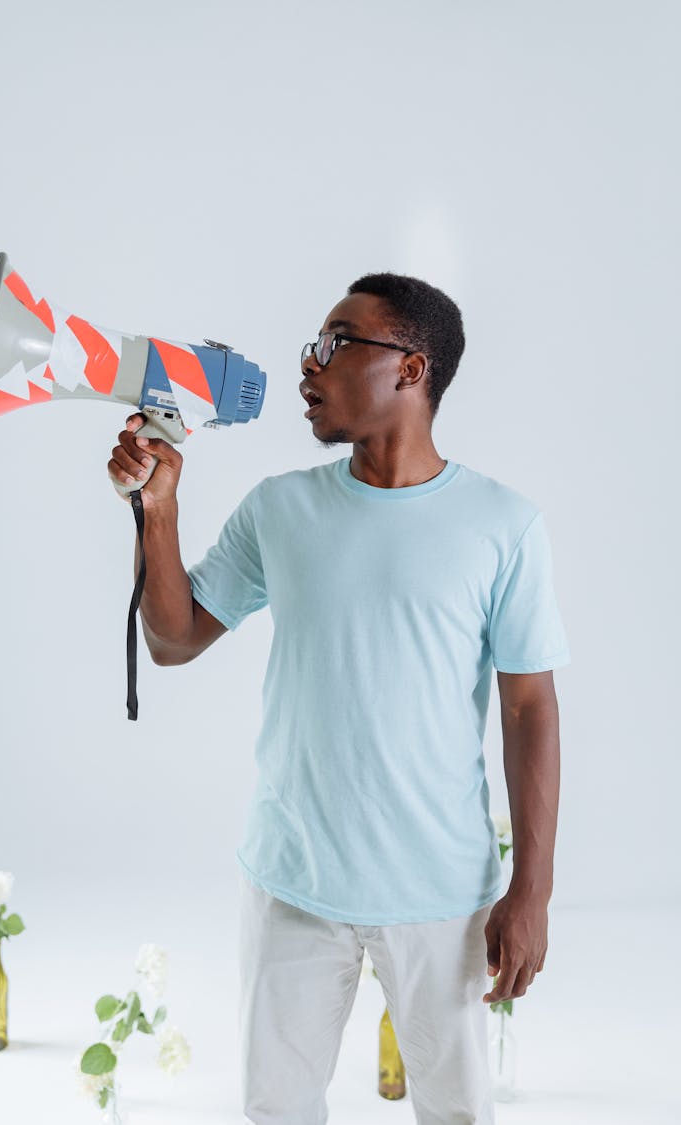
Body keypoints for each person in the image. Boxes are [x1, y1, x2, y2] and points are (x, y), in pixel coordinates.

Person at [108, 272, 570, 1125]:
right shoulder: (282, 508)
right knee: (276, 1111)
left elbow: (529, 709)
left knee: (458, 1112)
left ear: (411, 368)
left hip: (441, 890)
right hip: (293, 880)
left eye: (335, 343)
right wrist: (158, 511)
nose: (306, 368)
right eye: (309, 348)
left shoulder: (503, 525)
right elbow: (173, 640)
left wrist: (532, 888)